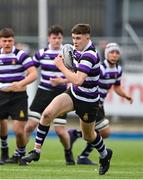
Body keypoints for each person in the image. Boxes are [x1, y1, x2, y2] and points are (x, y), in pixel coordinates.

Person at [22, 24, 113, 175]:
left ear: (87, 37)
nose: (75, 41)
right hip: (74, 94)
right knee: (47, 114)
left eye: (78, 38)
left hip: (88, 101)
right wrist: (67, 63)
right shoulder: (76, 50)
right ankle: (36, 151)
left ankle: (105, 154)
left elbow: (78, 80)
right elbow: (74, 77)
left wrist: (61, 66)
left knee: (88, 136)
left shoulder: (89, 55)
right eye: (73, 38)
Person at [67, 42, 133, 165]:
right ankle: (83, 154)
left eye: (117, 52)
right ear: (106, 54)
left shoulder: (118, 69)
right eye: (112, 52)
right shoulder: (101, 68)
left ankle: (76, 137)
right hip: (93, 102)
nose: (114, 55)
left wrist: (126, 96)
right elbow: (90, 83)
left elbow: (117, 87)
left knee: (96, 132)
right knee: (104, 132)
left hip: (99, 104)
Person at [24, 25, 75, 165]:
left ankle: (68, 151)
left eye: (59, 37)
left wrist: (61, 81)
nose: (57, 40)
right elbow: (30, 69)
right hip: (42, 92)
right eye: (54, 37)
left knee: (59, 131)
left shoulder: (67, 53)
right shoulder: (41, 53)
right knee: (29, 126)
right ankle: (20, 153)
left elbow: (76, 76)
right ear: (49, 38)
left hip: (60, 94)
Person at [0, 27, 37, 164]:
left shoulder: (21, 55)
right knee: (1, 123)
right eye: (4, 41)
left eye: (10, 41)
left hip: (18, 98)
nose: (7, 43)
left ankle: (20, 153)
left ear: (13, 41)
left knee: (18, 130)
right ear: (0, 42)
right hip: (1, 96)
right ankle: (4, 150)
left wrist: (20, 83)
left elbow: (33, 74)